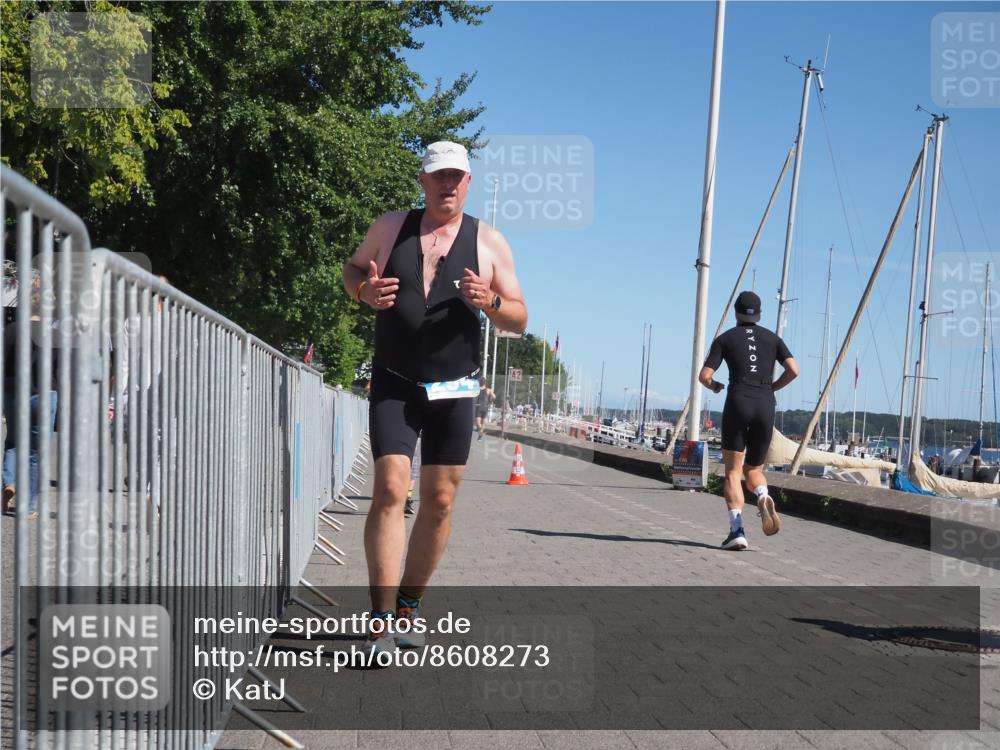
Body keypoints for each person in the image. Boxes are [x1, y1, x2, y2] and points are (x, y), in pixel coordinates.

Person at [342, 140, 528, 656]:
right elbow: (353, 269)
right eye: (438, 175)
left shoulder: (489, 242)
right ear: (423, 180)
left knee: (440, 502)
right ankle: (380, 620)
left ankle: (408, 606)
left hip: (455, 386)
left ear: (468, 183)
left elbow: (519, 316)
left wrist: (490, 301)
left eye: (456, 176)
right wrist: (362, 292)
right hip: (395, 378)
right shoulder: (389, 227)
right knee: (390, 488)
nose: (447, 184)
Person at [699, 291, 799, 551]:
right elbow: (794, 370)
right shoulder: (773, 338)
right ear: (760, 314)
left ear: (736, 312)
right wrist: (773, 387)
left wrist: (715, 386)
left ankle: (737, 531)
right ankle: (763, 495)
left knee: (733, 472)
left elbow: (704, 376)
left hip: (738, 400)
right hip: (765, 403)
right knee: (754, 470)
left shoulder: (725, 339)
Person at [474, 376, 494, 441]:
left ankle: (480, 433)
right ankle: (481, 434)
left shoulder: (478, 389)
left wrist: (490, 400)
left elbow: (494, 396)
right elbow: (494, 397)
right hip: (483, 407)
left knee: (479, 423)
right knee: (481, 423)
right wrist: (490, 401)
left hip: (480, 407)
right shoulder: (487, 390)